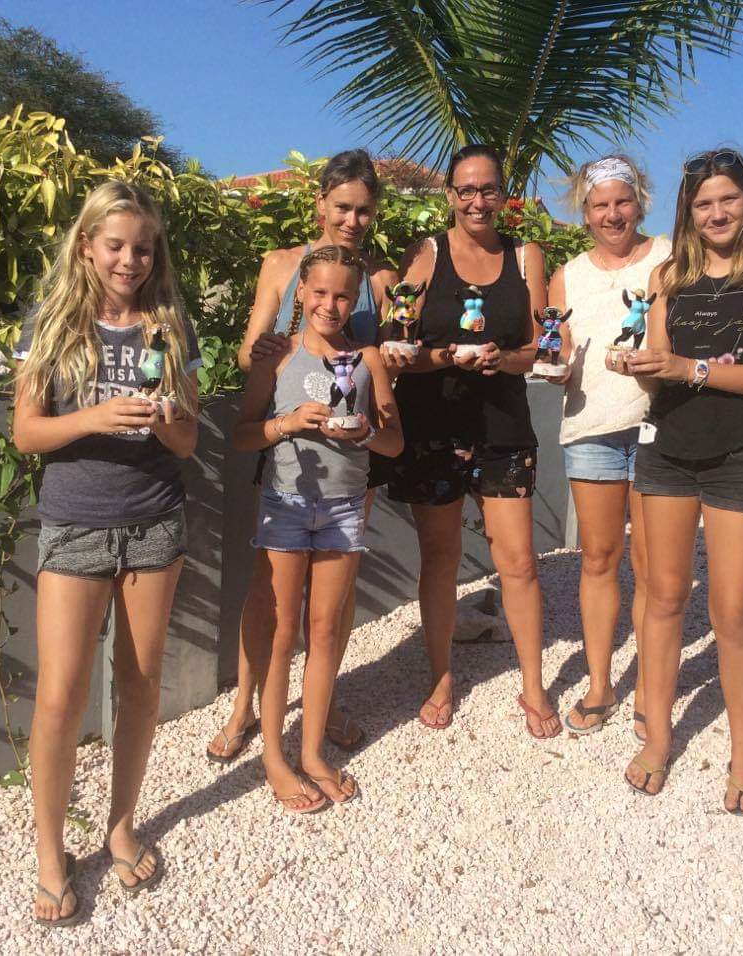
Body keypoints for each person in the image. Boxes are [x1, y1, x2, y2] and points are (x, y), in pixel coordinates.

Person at [12, 181, 203, 924]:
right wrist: (93, 417)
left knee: (141, 685)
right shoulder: (53, 324)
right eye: (116, 245)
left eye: (143, 248)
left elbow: (186, 441)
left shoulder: (168, 327)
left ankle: (121, 824)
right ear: (87, 245)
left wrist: (164, 421)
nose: (130, 260)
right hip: (77, 524)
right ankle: (50, 851)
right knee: (60, 696)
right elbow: (27, 432)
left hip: (154, 523)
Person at [615, 147, 743, 815]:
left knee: (731, 610)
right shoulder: (667, 276)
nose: (717, 212)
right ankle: (658, 738)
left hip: (739, 453)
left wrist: (686, 368)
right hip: (668, 449)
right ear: (687, 211)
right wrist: (636, 365)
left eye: (729, 198)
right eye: (704, 203)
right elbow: (658, 366)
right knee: (664, 598)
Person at [207, 150, 398, 764]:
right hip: (288, 443)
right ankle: (245, 704)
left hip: (352, 448)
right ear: (320, 203)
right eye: (342, 207)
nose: (351, 220)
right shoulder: (283, 264)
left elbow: (386, 360)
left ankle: (324, 701)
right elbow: (250, 354)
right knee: (268, 593)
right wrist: (271, 353)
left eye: (363, 210)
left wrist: (396, 363)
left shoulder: (380, 277)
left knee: (334, 596)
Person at [384, 144, 558, 738]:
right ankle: (441, 677)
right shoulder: (426, 254)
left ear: (503, 194)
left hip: (503, 427)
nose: (477, 201)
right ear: (450, 195)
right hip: (433, 425)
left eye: (488, 189)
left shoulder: (526, 255)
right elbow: (397, 346)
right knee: (441, 559)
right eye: (466, 190)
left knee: (519, 561)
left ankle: (533, 684)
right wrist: (443, 357)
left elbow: (542, 348)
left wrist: (503, 359)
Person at [232, 245, 402, 812]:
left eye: (343, 296)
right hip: (285, 503)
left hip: (344, 507)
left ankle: (310, 754)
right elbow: (243, 435)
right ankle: (273, 757)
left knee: (325, 631)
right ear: (299, 293)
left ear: (357, 302)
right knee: (282, 633)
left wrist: (364, 434)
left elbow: (394, 442)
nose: (330, 305)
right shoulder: (277, 357)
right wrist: (286, 424)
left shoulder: (369, 359)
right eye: (320, 292)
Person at [542, 155, 671, 740]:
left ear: (639, 203)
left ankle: (648, 685)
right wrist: (552, 364)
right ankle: (600, 683)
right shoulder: (567, 275)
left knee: (650, 564)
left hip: (657, 424)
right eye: (600, 205)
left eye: (622, 201)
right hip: (591, 427)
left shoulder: (669, 258)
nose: (612, 214)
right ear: (585, 212)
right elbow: (558, 346)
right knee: (598, 558)